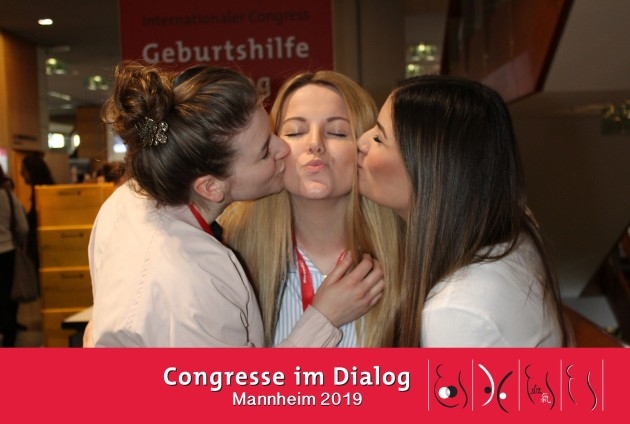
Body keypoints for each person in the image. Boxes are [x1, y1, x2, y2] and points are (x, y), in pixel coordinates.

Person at [85, 62, 384, 347]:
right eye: (267, 149)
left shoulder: (127, 201)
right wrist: (324, 319)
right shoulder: (194, 279)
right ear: (211, 187)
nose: (284, 147)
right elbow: (234, 383)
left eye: (338, 132)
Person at [357, 75, 571, 347]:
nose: (360, 142)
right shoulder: (512, 227)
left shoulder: (455, 311)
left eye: (378, 137)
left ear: (431, 171)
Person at [221, 70, 402, 347]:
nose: (315, 144)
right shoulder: (233, 252)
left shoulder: (406, 257)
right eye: (296, 132)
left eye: (337, 132)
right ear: (272, 148)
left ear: (363, 149)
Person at [0, 166, 29, 347]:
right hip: (7, 252)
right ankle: (9, 342)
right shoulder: (8, 197)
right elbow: (23, 227)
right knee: (8, 295)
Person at [20, 152, 55, 272]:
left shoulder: (42, 195)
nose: (21, 174)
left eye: (24, 170)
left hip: (43, 247)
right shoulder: (44, 192)